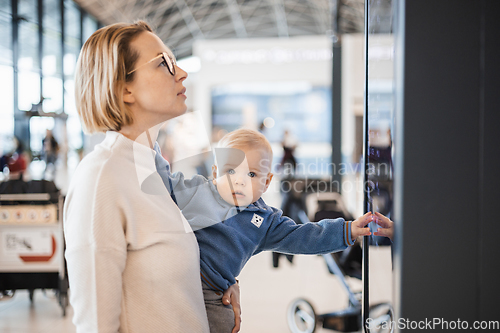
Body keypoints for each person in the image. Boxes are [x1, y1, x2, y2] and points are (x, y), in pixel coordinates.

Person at [63, 21, 241, 333]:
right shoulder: (101, 177)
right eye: (164, 63)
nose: (182, 73)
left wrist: (216, 287)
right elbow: (95, 325)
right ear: (124, 88)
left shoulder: (151, 168)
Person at [155, 128, 394, 332]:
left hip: (215, 292)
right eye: (230, 171)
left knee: (226, 323)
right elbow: (165, 180)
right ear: (216, 173)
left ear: (267, 182)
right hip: (179, 276)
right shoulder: (199, 192)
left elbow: (303, 237)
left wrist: (348, 229)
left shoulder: (265, 221)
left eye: (251, 174)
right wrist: (149, 144)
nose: (239, 180)